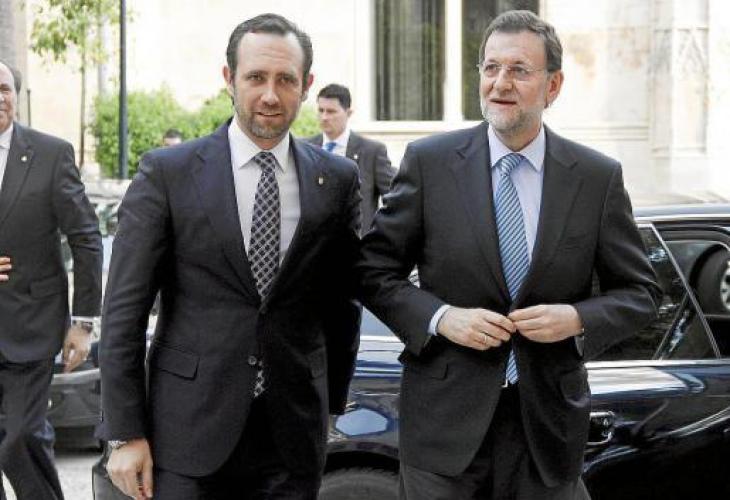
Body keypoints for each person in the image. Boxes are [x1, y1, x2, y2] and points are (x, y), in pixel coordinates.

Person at [357, 10, 661, 500]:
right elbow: (372, 270)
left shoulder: (595, 177)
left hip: (546, 431)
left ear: (553, 86)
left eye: (519, 70)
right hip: (443, 431)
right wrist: (441, 318)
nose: (500, 83)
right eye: (491, 67)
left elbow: (641, 293)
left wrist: (576, 319)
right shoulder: (430, 163)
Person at [98, 13, 361, 500]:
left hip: (292, 438)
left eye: (285, 80)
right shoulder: (169, 173)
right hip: (186, 435)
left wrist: (330, 406)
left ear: (306, 86)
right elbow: (123, 312)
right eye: (255, 77)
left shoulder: (336, 180)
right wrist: (124, 432)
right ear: (229, 79)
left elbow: (341, 304)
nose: (270, 95)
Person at [0, 60, 102, 500]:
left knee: (20, 439)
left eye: (4, 88)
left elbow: (86, 237)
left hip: (31, 325)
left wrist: (83, 322)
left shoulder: (50, 153)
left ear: (16, 96)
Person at [307, 83, 394, 233]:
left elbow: (394, 199)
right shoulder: (306, 149)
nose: (324, 117)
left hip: (357, 240)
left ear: (348, 113)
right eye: (321, 110)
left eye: (331, 111)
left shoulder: (371, 152)